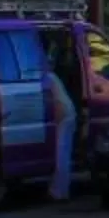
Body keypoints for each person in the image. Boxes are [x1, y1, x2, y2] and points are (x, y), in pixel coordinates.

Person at [44, 64, 79, 203]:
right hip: (68, 114)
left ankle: (59, 192)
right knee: (64, 154)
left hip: (64, 116)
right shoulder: (51, 76)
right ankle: (60, 190)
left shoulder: (47, 78)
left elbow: (57, 104)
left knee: (61, 155)